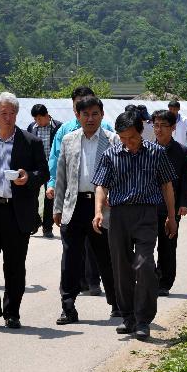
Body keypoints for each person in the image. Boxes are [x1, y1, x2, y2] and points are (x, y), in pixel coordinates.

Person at [92, 110, 177, 342]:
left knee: (144, 264)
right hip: (119, 217)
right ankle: (128, 315)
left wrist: (171, 217)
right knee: (121, 267)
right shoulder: (111, 154)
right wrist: (98, 211)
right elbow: (101, 185)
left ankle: (143, 319)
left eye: (131, 137)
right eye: (122, 138)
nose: (127, 143)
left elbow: (167, 186)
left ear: (141, 131)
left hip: (145, 217)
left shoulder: (156, 153)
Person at [0, 93, 49, 329]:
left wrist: (29, 177)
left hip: (17, 212)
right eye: (3, 113)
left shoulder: (30, 142)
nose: (7, 117)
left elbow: (43, 173)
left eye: (12, 113)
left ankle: (12, 312)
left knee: (14, 265)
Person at [52, 97, 120, 324]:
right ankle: (68, 306)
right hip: (74, 206)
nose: (90, 119)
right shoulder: (69, 140)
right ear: (78, 116)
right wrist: (57, 207)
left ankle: (117, 303)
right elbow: (60, 175)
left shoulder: (113, 140)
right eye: (85, 114)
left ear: (101, 115)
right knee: (70, 258)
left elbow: (120, 175)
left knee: (106, 256)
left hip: (103, 207)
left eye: (94, 114)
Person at [151, 109, 187, 297]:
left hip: (171, 207)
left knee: (167, 245)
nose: (159, 130)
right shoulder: (147, 150)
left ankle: (165, 282)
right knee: (145, 244)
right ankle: (149, 278)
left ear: (173, 128)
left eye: (163, 126)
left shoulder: (182, 152)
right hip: (149, 206)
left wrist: (184, 203)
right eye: (156, 125)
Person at [27, 103, 62, 238]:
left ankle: (47, 228)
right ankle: (35, 222)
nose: (37, 122)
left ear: (47, 115)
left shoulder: (58, 127)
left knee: (49, 199)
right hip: (36, 168)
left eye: (40, 119)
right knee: (31, 196)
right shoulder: (32, 127)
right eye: (35, 119)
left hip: (52, 169)